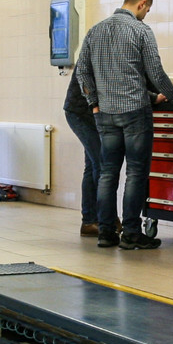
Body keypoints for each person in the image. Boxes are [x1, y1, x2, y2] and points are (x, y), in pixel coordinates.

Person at [74, 0, 173, 250]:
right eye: (147, 9)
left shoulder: (95, 31)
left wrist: (94, 103)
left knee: (107, 173)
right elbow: (156, 73)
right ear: (142, 3)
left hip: (105, 114)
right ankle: (131, 234)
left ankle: (105, 233)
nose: (146, 14)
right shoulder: (141, 31)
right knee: (136, 173)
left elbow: (82, 73)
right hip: (135, 112)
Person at [62, 74, 102, 237]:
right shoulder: (92, 58)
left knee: (93, 165)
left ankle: (90, 222)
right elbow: (86, 81)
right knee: (101, 164)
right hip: (80, 112)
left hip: (90, 113)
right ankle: (104, 218)